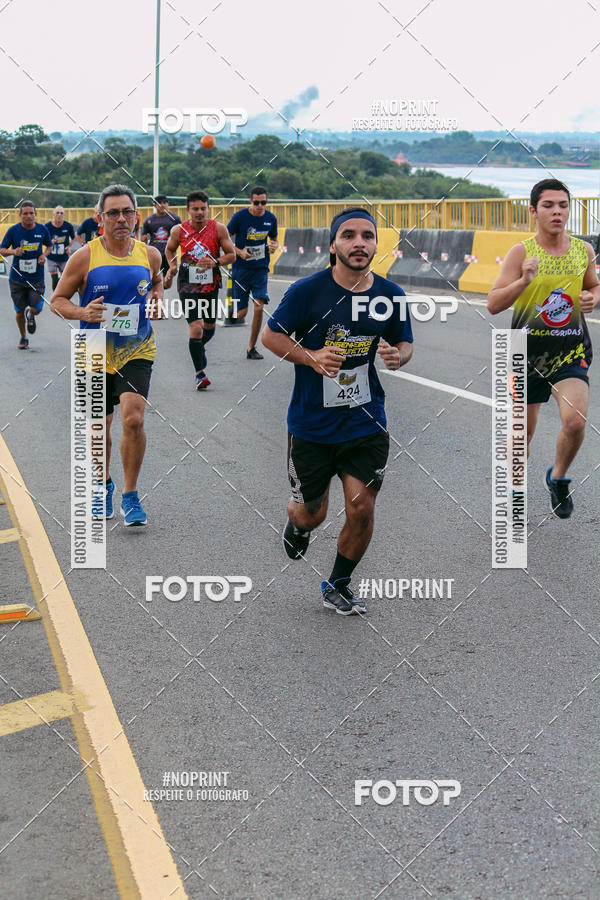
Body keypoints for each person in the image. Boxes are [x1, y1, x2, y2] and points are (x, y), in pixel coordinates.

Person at [262, 207, 413, 616]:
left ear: (376, 245)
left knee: (362, 507)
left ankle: (339, 584)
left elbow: (404, 343)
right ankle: (297, 525)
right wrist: (311, 356)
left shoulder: (390, 296)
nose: (359, 242)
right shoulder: (308, 291)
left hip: (366, 421)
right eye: (349, 235)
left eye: (367, 235)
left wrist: (398, 357)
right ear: (334, 245)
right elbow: (270, 336)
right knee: (313, 514)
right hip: (311, 425)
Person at [50, 184, 163, 526]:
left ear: (136, 216)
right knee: (100, 426)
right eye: (112, 213)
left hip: (137, 347)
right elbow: (57, 301)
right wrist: (83, 313)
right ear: (100, 218)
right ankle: (102, 486)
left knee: (133, 418)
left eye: (127, 211)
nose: (120, 218)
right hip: (94, 349)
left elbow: (158, 281)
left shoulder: (150, 254)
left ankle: (130, 495)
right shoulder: (85, 256)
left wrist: (157, 297)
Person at [488, 178, 600, 519]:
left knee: (576, 422)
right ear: (534, 211)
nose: (557, 212)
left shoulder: (583, 251)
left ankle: (558, 478)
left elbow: (594, 288)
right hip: (526, 354)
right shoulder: (522, 252)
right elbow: (493, 303)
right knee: (523, 432)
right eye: (549, 205)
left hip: (570, 352)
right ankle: (514, 487)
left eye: (563, 205)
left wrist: (591, 299)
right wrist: (523, 282)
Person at [164, 190, 235, 390]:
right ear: (188, 210)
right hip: (187, 284)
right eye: (195, 209)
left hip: (211, 284)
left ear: (208, 208)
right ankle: (199, 374)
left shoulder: (218, 229)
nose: (199, 212)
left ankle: (197, 349)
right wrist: (172, 265)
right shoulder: (179, 230)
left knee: (209, 328)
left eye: (203, 208)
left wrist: (215, 262)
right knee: (196, 327)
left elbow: (231, 255)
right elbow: (169, 249)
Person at [227, 186, 278, 359]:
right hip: (241, 268)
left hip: (260, 268)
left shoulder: (271, 219)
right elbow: (224, 238)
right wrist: (239, 251)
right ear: (251, 201)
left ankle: (251, 348)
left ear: (267, 202)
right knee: (241, 314)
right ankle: (232, 310)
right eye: (256, 202)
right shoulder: (239, 217)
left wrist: (273, 246)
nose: (260, 206)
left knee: (259, 306)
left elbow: (274, 239)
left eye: (263, 202)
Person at [1, 201, 51, 349]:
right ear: (20, 215)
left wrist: (44, 255)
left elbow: (49, 245)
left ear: (35, 214)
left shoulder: (42, 229)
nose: (29, 216)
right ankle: (23, 337)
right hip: (17, 278)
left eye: (31, 213)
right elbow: (2, 249)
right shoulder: (13, 231)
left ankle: (31, 315)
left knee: (37, 307)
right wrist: (13, 252)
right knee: (19, 310)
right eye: (25, 213)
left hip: (36, 278)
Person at [142, 195, 181, 275]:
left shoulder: (175, 219)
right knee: (153, 278)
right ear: (154, 205)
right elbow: (143, 238)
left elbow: (182, 235)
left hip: (169, 254)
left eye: (164, 203)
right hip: (155, 254)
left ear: (168, 204)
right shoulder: (149, 220)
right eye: (159, 203)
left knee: (168, 280)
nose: (162, 205)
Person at [45, 205, 76, 290]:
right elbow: (43, 240)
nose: (59, 215)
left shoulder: (68, 226)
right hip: (52, 257)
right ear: (53, 215)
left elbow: (73, 237)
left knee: (64, 280)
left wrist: (69, 246)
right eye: (57, 213)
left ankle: (62, 296)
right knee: (54, 279)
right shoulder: (47, 226)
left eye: (61, 213)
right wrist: (49, 243)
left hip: (63, 256)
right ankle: (55, 298)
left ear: (64, 215)